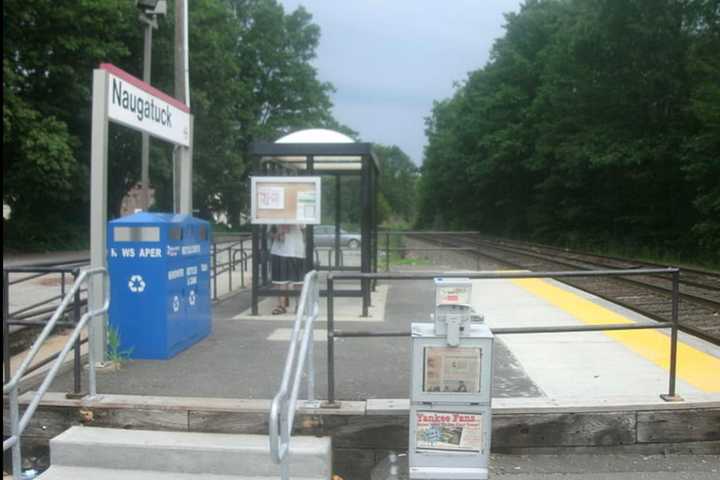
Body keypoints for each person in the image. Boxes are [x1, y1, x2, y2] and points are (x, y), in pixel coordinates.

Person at [270, 224, 306, 314]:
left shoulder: (299, 214)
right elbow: (271, 234)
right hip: (279, 251)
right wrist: (280, 232)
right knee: (280, 281)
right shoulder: (274, 216)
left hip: (297, 251)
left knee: (298, 281)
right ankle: (281, 306)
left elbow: (305, 230)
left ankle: (299, 306)